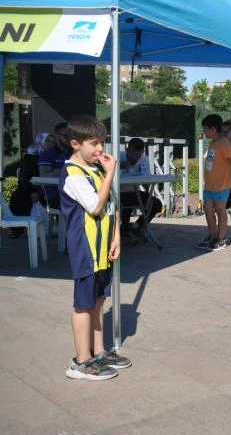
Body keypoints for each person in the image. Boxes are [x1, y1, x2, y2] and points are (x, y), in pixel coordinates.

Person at [59, 116, 131, 381]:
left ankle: (99, 351)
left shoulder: (95, 169)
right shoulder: (72, 174)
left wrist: (117, 236)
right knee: (83, 304)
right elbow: (95, 206)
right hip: (86, 249)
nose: (101, 149)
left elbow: (111, 206)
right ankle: (81, 361)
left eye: (102, 142)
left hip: (103, 249)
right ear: (76, 144)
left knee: (99, 300)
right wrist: (111, 173)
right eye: (95, 143)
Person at [198, 114, 231, 252]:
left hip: (222, 186)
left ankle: (221, 239)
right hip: (209, 186)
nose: (204, 132)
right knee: (208, 210)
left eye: (205, 129)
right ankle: (212, 236)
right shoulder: (213, 143)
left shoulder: (225, 144)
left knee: (221, 211)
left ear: (213, 129)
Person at [118, 137, 163, 239]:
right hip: (118, 193)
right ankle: (124, 230)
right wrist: (120, 168)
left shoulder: (144, 159)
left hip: (134, 192)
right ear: (127, 150)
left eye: (138, 155)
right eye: (131, 154)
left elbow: (147, 179)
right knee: (127, 206)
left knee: (156, 204)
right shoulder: (118, 157)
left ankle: (137, 226)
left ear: (142, 152)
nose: (134, 158)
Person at [38, 122, 72, 209]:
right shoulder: (47, 154)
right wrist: (56, 173)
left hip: (73, 193)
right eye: (65, 136)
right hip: (55, 196)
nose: (69, 139)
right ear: (57, 137)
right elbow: (43, 178)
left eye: (71, 136)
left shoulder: (73, 152)